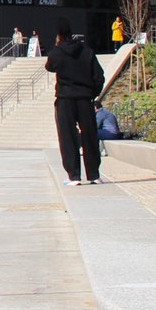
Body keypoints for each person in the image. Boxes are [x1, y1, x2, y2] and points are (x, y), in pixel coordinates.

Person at [45, 19, 106, 185]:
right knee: (90, 136)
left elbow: (49, 67)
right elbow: (99, 77)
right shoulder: (87, 51)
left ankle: (74, 176)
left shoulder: (55, 53)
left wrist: (57, 46)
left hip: (65, 99)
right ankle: (93, 174)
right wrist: (92, 94)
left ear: (58, 35)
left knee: (67, 137)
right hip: (85, 99)